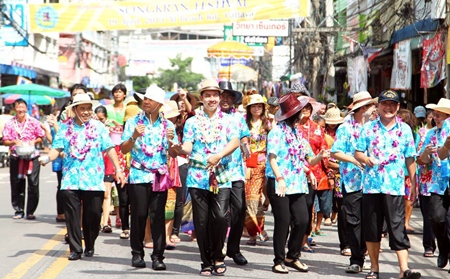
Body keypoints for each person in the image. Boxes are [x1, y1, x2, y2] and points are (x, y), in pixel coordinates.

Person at [41, 93, 125, 260]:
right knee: (72, 215)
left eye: (88, 108)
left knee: (93, 215)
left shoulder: (98, 127)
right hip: (71, 178)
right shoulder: (65, 127)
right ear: (75, 110)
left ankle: (90, 244)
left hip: (93, 180)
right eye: (82, 108)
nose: (86, 112)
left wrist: (118, 169)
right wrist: (46, 158)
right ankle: (75, 248)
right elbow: (57, 148)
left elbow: (109, 148)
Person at [171, 79, 239, 276]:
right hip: (198, 176)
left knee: (219, 217)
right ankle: (206, 261)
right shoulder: (192, 122)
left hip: (222, 175)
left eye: (215, 95)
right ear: (201, 98)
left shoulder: (228, 120)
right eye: (207, 95)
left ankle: (218, 255)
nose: (212, 99)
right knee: (201, 222)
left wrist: (219, 155)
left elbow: (234, 141)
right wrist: (178, 148)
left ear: (219, 97)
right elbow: (188, 147)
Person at [354, 90, 421, 279]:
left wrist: (414, 184)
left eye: (393, 104)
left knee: (397, 226)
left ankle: (404, 269)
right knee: (372, 229)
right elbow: (358, 152)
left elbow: (410, 159)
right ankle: (374, 269)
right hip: (371, 186)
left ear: (398, 107)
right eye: (385, 104)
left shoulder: (405, 130)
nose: (389, 107)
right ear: (378, 106)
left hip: (394, 186)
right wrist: (366, 158)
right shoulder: (368, 129)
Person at [266, 93, 328, 274]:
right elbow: (272, 158)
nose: (302, 115)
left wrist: (320, 156)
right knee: (283, 222)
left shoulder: (298, 133)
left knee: (302, 220)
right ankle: (278, 260)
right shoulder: (276, 132)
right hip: (280, 182)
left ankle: (292, 256)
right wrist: (280, 178)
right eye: (300, 112)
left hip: (298, 183)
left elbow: (309, 160)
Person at [121, 84, 178, 270]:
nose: (145, 101)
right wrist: (134, 136)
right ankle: (137, 254)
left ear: (159, 104)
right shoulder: (132, 122)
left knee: (157, 216)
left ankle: (158, 256)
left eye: (150, 99)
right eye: (144, 98)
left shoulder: (168, 125)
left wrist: (171, 142)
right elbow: (123, 149)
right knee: (138, 215)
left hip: (159, 176)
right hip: (138, 174)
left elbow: (174, 153)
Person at [331, 91, 374, 273]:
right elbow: (335, 152)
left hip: (374, 182)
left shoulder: (374, 127)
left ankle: (371, 257)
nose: (374, 110)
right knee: (353, 220)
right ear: (362, 108)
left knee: (371, 221)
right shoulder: (345, 128)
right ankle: (356, 259)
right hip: (352, 181)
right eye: (371, 107)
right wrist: (353, 160)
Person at [218, 80, 250, 266]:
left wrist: (246, 145)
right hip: (217, 171)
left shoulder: (238, 118)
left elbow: (244, 135)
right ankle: (217, 247)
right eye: (222, 95)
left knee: (239, 210)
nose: (225, 99)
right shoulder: (210, 117)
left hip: (236, 171)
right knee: (220, 214)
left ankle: (234, 249)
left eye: (229, 96)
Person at [2, 99, 45, 220]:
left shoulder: (33, 121)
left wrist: (34, 141)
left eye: (23, 107)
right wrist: (14, 142)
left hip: (32, 155)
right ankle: (18, 210)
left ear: (26, 109)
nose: (21, 109)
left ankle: (30, 211)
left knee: (33, 183)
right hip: (16, 155)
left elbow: (41, 136)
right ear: (14, 109)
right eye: (18, 107)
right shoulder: (10, 123)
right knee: (16, 183)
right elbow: (5, 140)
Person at [243, 94, 271, 245]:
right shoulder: (244, 124)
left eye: (259, 106)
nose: (256, 108)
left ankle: (258, 230)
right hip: (245, 164)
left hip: (261, 165)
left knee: (254, 198)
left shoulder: (268, 124)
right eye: (254, 106)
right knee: (247, 200)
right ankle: (254, 232)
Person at [428, 98, 450, 272]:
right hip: (438, 183)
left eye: (439, 115)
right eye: (434, 114)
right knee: (437, 218)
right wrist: (426, 154)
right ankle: (443, 249)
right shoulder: (431, 134)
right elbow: (422, 159)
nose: (435, 117)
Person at [415, 109, 436, 258]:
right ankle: (429, 245)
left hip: (444, 183)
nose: (435, 118)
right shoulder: (424, 134)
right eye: (434, 115)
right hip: (426, 180)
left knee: (443, 218)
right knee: (428, 216)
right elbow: (418, 157)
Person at [397, 109, 417, 234]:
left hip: (409, 171)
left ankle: (406, 222)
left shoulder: (415, 135)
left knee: (408, 198)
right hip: (396, 171)